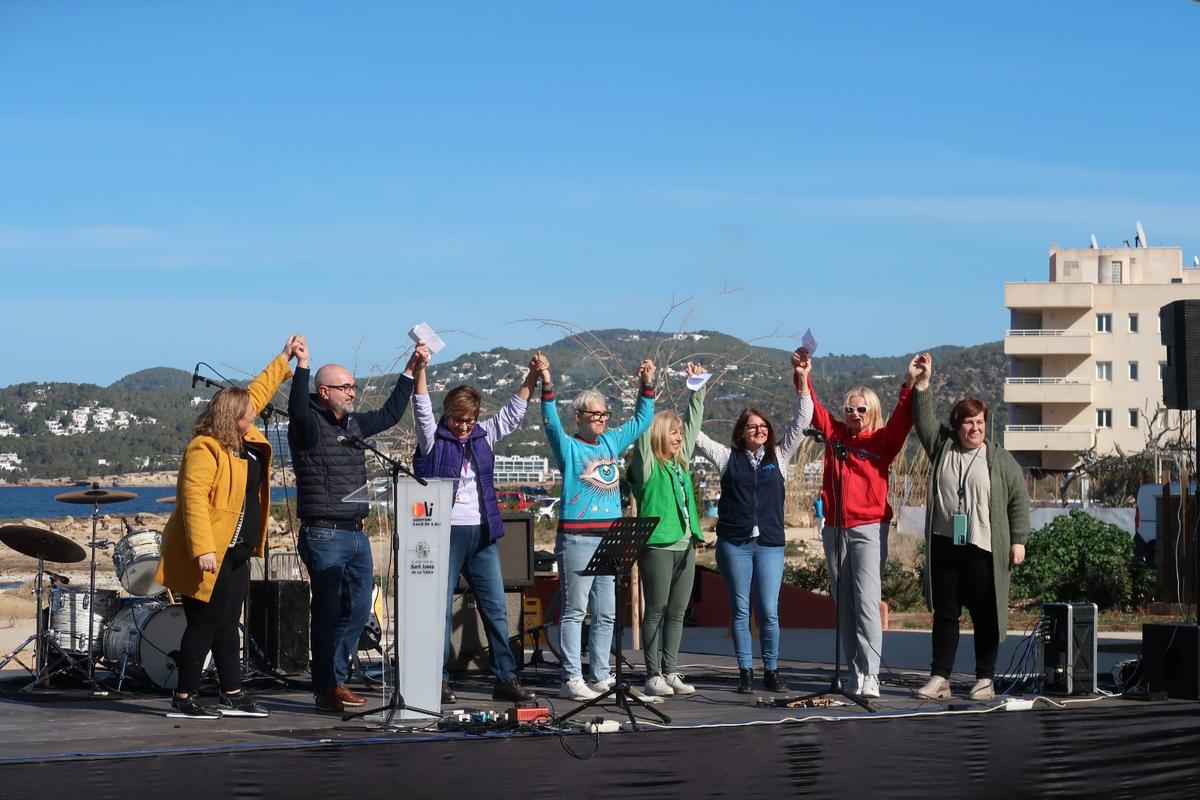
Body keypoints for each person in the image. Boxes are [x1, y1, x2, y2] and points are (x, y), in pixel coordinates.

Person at [156, 335, 303, 719]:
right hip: (210, 552)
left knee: (226, 624)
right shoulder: (205, 449)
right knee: (205, 623)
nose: (253, 416)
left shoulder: (243, 441)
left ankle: (232, 694)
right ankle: (184, 698)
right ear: (229, 418)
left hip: (238, 551)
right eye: (246, 415)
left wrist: (284, 357)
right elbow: (192, 501)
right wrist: (203, 548)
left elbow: (259, 389)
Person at [288, 338, 429, 712]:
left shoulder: (353, 424)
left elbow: (389, 415)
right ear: (324, 391)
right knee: (329, 611)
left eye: (353, 386)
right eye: (346, 387)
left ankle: (337, 677)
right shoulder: (307, 426)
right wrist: (302, 364)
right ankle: (326, 687)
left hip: (357, 532)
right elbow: (297, 406)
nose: (353, 392)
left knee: (359, 609)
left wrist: (410, 370)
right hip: (324, 533)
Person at [412, 350, 545, 705]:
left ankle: (505, 677)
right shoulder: (431, 438)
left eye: (470, 420)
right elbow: (421, 406)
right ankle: (436, 680)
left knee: (496, 608)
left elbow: (512, 415)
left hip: (484, 531)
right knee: (439, 609)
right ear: (447, 415)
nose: (464, 426)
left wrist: (531, 378)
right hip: (445, 532)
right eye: (458, 420)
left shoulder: (484, 434)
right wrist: (421, 368)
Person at [909, 353, 1029, 702]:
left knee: (985, 614)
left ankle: (985, 678)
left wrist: (1018, 540)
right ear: (957, 425)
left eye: (979, 422)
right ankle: (940, 677)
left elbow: (1019, 501)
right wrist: (923, 383)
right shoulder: (942, 447)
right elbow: (923, 420)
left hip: (984, 547)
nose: (974, 428)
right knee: (946, 614)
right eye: (967, 423)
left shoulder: (1000, 459)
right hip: (946, 542)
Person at [694, 349, 813, 694]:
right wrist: (697, 392)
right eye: (752, 426)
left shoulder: (781, 455)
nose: (759, 430)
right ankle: (745, 672)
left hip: (771, 545)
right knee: (741, 610)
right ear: (741, 432)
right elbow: (696, 436)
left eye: (763, 426)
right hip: (735, 545)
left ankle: (771, 670)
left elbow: (801, 420)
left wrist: (803, 380)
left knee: (769, 611)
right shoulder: (726, 458)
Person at [541, 358, 656, 701]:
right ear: (579, 417)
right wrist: (547, 384)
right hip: (576, 537)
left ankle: (601, 674)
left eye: (605, 415)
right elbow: (549, 425)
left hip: (609, 538)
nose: (603, 420)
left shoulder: (611, 443)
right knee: (575, 610)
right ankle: (571, 676)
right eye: (596, 415)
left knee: (606, 613)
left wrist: (646, 384)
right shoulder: (569, 447)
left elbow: (642, 420)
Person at [808, 354, 918, 699]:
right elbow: (814, 410)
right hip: (835, 529)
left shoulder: (882, 441)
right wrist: (804, 376)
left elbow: (904, 419)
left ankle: (871, 674)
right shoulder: (835, 436)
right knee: (846, 607)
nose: (854, 415)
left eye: (861, 409)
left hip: (869, 528)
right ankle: (854, 670)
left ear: (872, 412)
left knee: (867, 602)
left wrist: (910, 383)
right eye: (850, 409)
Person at [628, 363, 708, 698]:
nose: (679, 437)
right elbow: (643, 435)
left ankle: (671, 670)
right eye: (672, 432)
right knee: (656, 609)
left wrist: (697, 389)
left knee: (677, 612)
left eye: (679, 432)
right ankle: (652, 673)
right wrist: (645, 390)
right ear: (660, 434)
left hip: (686, 545)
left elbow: (693, 426)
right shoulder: (647, 466)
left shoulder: (680, 463)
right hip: (658, 546)